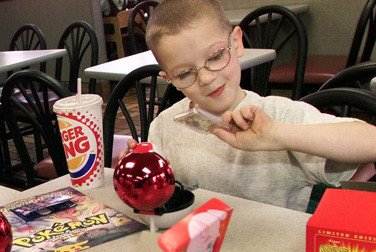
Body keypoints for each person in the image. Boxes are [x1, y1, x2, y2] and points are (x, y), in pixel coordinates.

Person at [137, 0, 376, 212]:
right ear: (169, 78)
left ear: (237, 42)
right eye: (185, 73)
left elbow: (371, 141)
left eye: (215, 57)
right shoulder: (163, 126)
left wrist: (277, 135)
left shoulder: (277, 115)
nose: (206, 78)